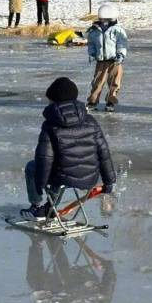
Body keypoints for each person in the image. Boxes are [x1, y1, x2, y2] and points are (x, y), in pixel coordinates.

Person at [21, 77, 116, 220]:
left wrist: (39, 185)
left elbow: (44, 158)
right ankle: (50, 207)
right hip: (90, 176)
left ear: (55, 101)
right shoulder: (91, 121)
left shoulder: (50, 125)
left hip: (63, 176)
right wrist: (109, 182)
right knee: (61, 169)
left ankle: (36, 207)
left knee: (33, 167)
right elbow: (104, 153)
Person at [86, 3, 128, 113]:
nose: (105, 21)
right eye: (103, 18)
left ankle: (111, 101)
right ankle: (93, 101)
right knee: (97, 81)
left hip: (115, 60)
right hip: (101, 60)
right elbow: (91, 43)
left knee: (115, 81)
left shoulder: (117, 30)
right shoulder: (94, 30)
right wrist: (92, 53)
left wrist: (121, 54)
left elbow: (122, 43)